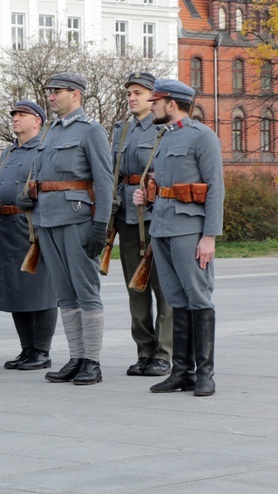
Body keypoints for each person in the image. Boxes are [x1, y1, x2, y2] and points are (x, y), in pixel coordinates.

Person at [20, 72, 113, 385]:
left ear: (75, 95)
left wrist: (100, 224)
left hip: (77, 218)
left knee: (86, 292)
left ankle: (93, 361)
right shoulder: (49, 131)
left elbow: (103, 180)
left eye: (56, 92)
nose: (50, 97)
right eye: (50, 92)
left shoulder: (92, 131)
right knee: (64, 294)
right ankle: (76, 357)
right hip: (47, 220)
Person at [133, 79, 224, 397]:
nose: (151, 106)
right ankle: (181, 371)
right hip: (162, 228)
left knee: (198, 298)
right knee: (175, 299)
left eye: (155, 101)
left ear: (171, 103)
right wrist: (148, 196)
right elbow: (168, 185)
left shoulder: (203, 137)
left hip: (190, 230)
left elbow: (215, 189)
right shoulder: (164, 137)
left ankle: (205, 374)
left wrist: (210, 236)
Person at [112, 72, 173, 377]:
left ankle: (163, 353)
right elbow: (114, 173)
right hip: (126, 217)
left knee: (162, 288)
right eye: (129, 93)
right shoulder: (121, 131)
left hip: (155, 217)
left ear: (153, 97)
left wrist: (152, 193)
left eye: (138, 93)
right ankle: (144, 351)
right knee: (136, 288)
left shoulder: (165, 129)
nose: (132, 98)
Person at [0, 101, 58, 371]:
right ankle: (26, 349)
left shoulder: (44, 149)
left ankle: (41, 350)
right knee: (15, 290)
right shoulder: (7, 153)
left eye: (21, 115)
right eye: (14, 115)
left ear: (37, 121)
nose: (15, 119)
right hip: (6, 226)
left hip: (32, 224)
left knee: (41, 289)